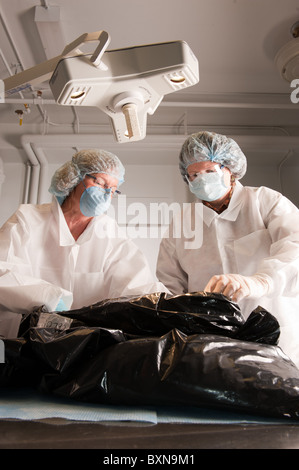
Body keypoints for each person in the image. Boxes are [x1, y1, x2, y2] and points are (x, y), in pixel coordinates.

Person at [156, 131, 299, 367]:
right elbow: (171, 286)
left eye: (210, 171)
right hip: (212, 346)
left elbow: (294, 246)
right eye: (194, 174)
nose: (201, 179)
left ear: (230, 169)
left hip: (278, 339)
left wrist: (261, 281)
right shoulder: (181, 224)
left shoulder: (265, 202)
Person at [0, 148, 166, 336]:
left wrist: (170, 305)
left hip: (84, 349)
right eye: (100, 182)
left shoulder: (110, 233)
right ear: (73, 178)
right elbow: (2, 273)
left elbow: (139, 287)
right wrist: (50, 298)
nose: (106, 194)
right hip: (18, 341)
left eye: (112, 190)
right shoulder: (28, 219)